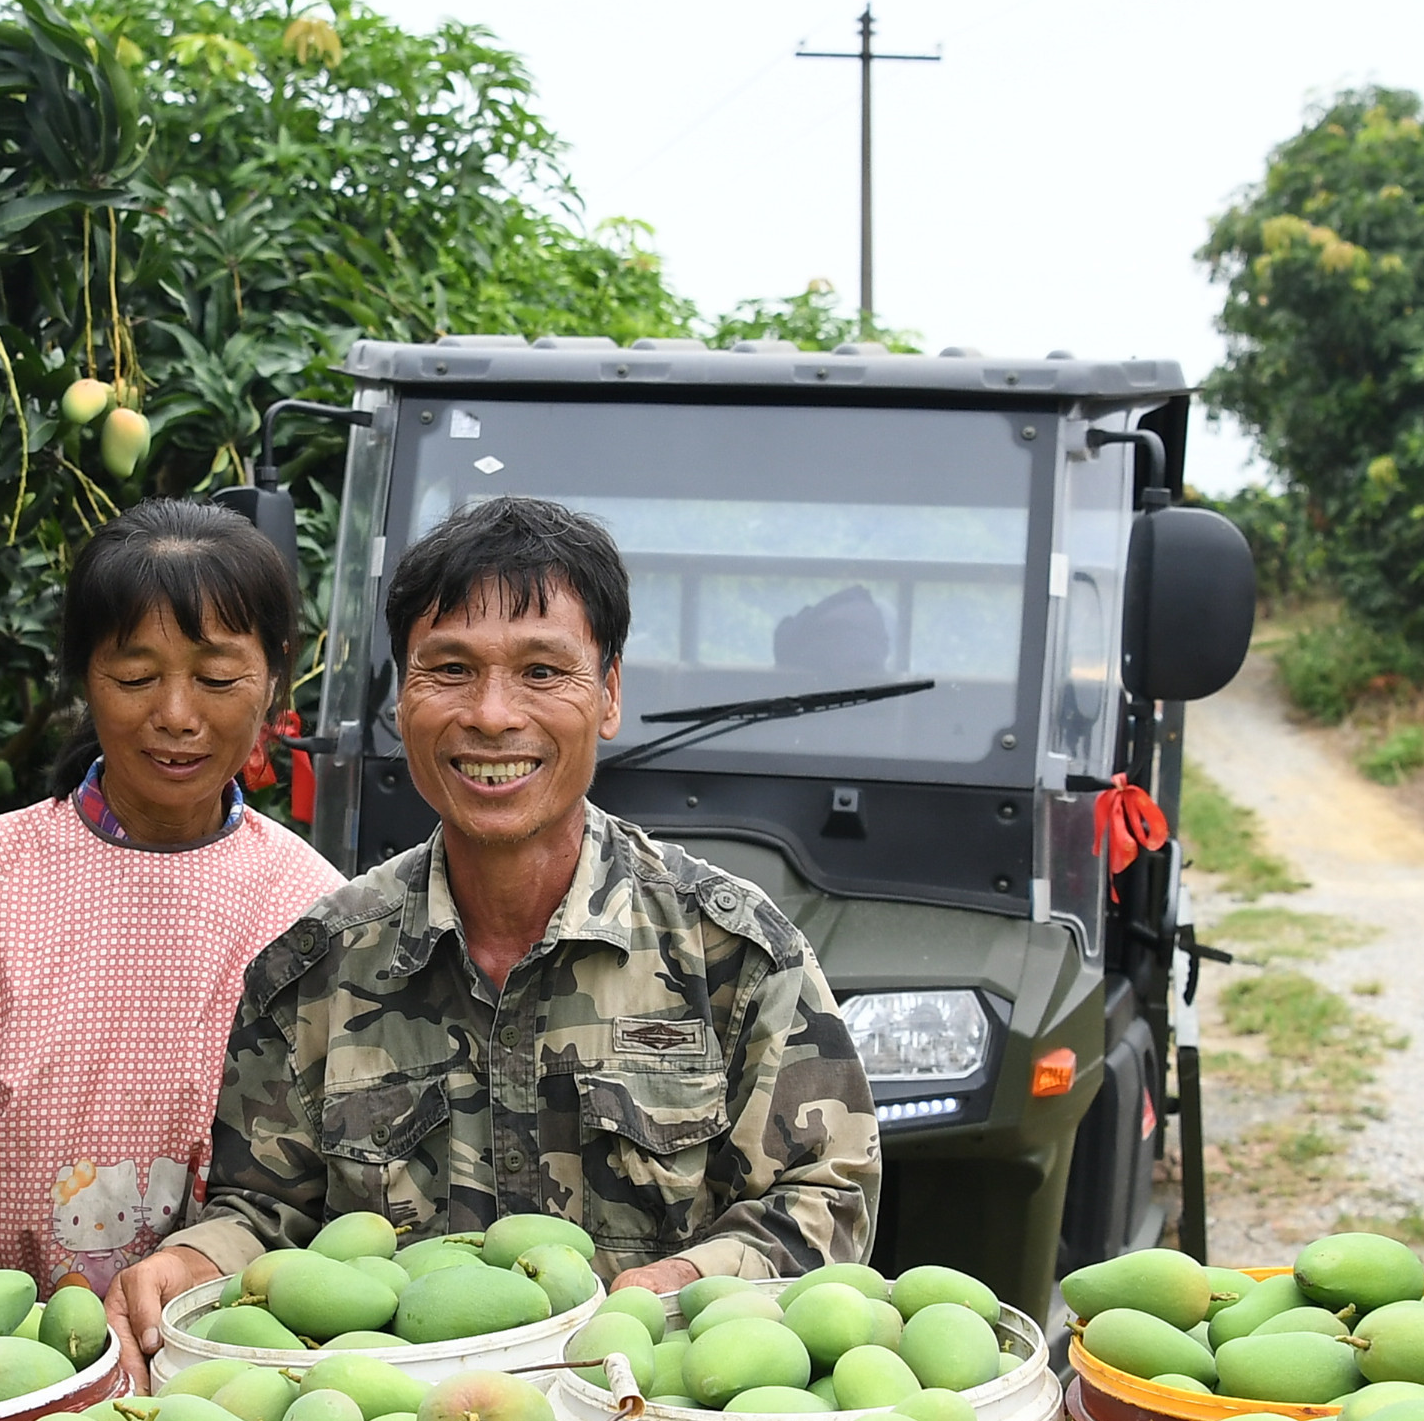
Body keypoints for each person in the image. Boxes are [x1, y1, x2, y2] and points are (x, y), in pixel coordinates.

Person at [106, 494, 881, 1348]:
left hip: (649, 1411)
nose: (491, 715)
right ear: (402, 698)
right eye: (449, 670)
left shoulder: (732, 955)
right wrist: (194, 1262)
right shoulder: (315, 971)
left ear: (608, 694)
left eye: (542, 672)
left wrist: (679, 1285)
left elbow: (827, 1198)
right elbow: (263, 1214)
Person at [0, 500, 343, 1299]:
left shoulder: (314, 913)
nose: (176, 716)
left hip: (224, 1359)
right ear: (83, 679)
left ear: (274, 677)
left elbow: (319, 1194)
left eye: (215, 679)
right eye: (135, 678)